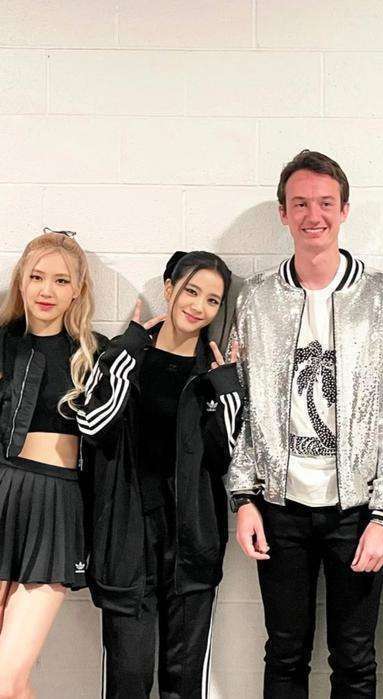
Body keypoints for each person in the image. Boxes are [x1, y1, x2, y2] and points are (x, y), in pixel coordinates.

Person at [228, 149, 383, 698]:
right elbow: (243, 405)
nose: (314, 215)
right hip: (279, 507)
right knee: (284, 652)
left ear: (344, 210)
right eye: (301, 203)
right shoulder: (257, 299)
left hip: (357, 509)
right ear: (283, 213)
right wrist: (244, 498)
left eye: (326, 203)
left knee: (354, 658)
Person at [76, 251, 242, 699]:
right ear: (169, 289)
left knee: (184, 685)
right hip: (126, 542)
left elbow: (229, 457)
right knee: (127, 681)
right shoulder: (123, 356)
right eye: (191, 291)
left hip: (191, 547)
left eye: (212, 300)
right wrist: (126, 353)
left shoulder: (213, 375)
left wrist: (227, 389)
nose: (198, 306)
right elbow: (92, 425)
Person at [0, 229, 101, 699]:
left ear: (77, 289)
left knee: (6, 679)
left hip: (55, 507)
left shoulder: (94, 355)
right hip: (3, 490)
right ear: (21, 281)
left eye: (61, 281)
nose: (47, 290)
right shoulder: (3, 344)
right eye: (37, 277)